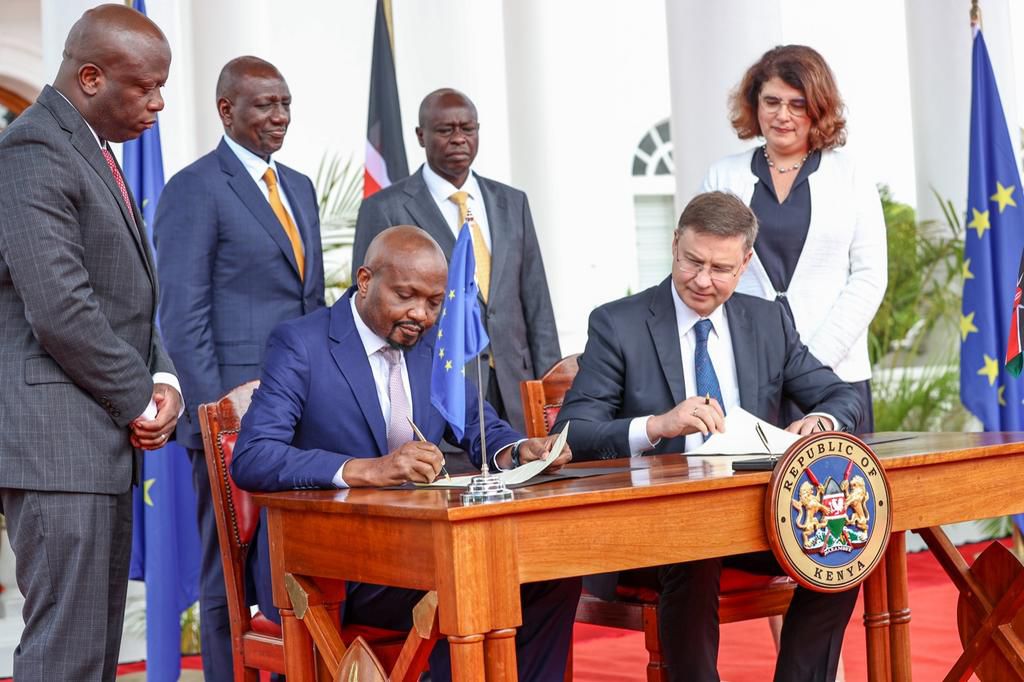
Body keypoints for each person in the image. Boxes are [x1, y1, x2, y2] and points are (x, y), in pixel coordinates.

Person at [232, 225, 581, 682]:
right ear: (364, 281)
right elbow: (254, 456)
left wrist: (521, 451)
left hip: (420, 551)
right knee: (465, 582)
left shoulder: (431, 346)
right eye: (406, 296)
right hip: (332, 567)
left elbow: (478, 426)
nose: (421, 313)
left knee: (549, 576)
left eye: (434, 302)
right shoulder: (302, 344)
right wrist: (367, 470)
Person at [553, 192, 862, 682]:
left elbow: (842, 396)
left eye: (721, 268)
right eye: (693, 261)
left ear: (745, 263)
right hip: (653, 531)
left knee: (841, 548)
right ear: (675, 245)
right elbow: (572, 432)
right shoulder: (618, 323)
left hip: (753, 518)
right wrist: (656, 426)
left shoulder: (767, 321)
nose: (702, 280)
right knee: (694, 553)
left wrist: (820, 422)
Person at [0, 5, 181, 680]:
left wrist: (164, 382)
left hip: (93, 449)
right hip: (59, 454)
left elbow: (126, 299)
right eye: (146, 86)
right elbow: (60, 306)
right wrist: (138, 397)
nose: (159, 103)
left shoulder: (92, 151)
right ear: (90, 77)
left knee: (92, 657)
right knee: (65, 659)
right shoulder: (34, 150)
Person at [152, 55, 324, 680]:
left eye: (284, 104)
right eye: (264, 105)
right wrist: (212, 414)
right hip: (234, 418)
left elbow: (311, 304)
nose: (279, 117)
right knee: (228, 565)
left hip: (303, 411)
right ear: (226, 110)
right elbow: (182, 313)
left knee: (294, 561)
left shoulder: (299, 186)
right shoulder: (194, 189)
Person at [702, 44, 886, 434]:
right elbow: (708, 271)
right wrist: (768, 364)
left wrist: (808, 364)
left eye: (797, 104)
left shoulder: (850, 176)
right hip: (749, 376)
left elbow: (870, 278)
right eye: (771, 101)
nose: (782, 115)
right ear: (755, 104)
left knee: (839, 492)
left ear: (817, 108)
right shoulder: (723, 176)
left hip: (835, 380)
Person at [352, 88, 559, 432]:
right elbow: (368, 303)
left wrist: (549, 387)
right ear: (421, 135)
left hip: (515, 383)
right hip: (440, 383)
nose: (459, 139)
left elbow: (536, 302)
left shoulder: (512, 202)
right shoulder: (386, 208)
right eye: (446, 130)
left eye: (468, 129)